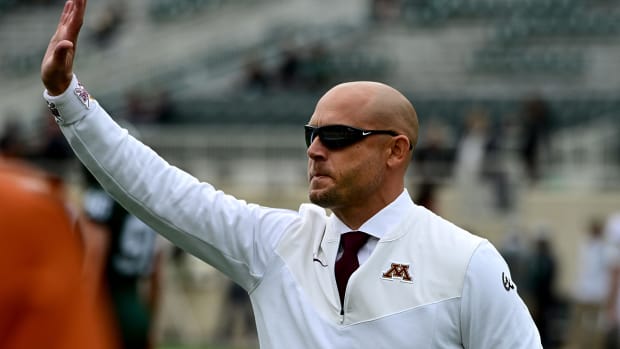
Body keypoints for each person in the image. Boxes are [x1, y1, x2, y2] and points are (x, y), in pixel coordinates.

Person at [40, 1, 542, 347]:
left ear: (396, 151)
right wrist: (69, 100)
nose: (317, 150)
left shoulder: (466, 261)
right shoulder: (276, 244)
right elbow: (160, 189)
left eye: (338, 136)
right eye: (311, 135)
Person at [0, 155, 117, 349]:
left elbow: (96, 242)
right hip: (122, 292)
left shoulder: (24, 203)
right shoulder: (34, 199)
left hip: (110, 295)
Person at [80, 166, 163, 349]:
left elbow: (95, 253)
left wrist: (83, 313)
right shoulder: (146, 201)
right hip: (136, 309)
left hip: (108, 309)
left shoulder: (101, 197)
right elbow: (157, 270)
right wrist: (149, 324)